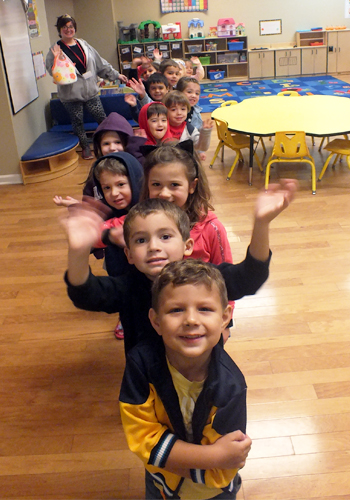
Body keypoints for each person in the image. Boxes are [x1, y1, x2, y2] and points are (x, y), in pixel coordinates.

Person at [61, 180, 297, 355]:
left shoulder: (205, 279)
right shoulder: (129, 287)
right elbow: (86, 294)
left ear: (187, 246)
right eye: (141, 240)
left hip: (208, 376)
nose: (154, 246)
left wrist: (262, 223)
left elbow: (250, 277)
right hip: (150, 383)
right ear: (129, 254)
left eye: (165, 236)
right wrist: (79, 250)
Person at [119, 258, 251, 499]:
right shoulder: (141, 364)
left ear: (224, 318)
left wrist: (161, 457)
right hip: (160, 484)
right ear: (156, 321)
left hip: (213, 493)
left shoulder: (231, 385)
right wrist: (214, 456)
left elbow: (221, 473)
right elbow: (140, 437)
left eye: (205, 309)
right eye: (176, 310)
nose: (191, 320)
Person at [46, 14, 127, 160]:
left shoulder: (83, 44)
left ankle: (108, 144)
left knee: (102, 119)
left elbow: (99, 63)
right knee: (77, 122)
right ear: (59, 30)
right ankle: (85, 147)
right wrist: (58, 61)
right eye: (64, 27)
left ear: (75, 28)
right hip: (70, 95)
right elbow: (52, 71)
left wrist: (116, 75)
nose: (68, 29)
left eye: (71, 26)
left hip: (90, 91)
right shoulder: (55, 49)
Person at [176, 76, 206, 160]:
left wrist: (200, 151)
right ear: (179, 92)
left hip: (188, 151)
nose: (194, 96)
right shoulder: (171, 109)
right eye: (189, 92)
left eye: (197, 93)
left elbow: (198, 133)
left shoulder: (196, 113)